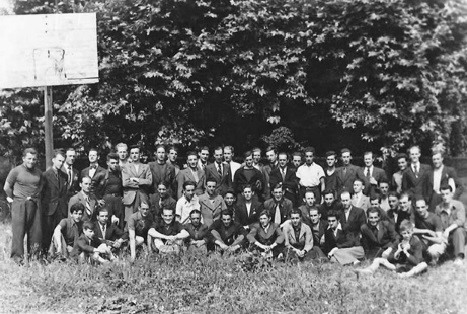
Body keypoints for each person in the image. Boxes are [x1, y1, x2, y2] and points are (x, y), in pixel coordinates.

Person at [357, 220, 427, 278]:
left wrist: (406, 252)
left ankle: (406, 275)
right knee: (378, 259)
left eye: (409, 233)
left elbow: (416, 261)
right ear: (400, 233)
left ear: (412, 232)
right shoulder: (399, 241)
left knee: (423, 264)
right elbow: (389, 259)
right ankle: (369, 270)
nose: (406, 235)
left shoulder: (416, 242)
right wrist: (398, 252)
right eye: (404, 233)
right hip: (398, 265)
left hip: (411, 266)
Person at [41, 149, 68, 254]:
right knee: (47, 234)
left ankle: (59, 254)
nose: (61, 163)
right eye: (59, 160)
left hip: (61, 210)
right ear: (53, 160)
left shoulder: (64, 176)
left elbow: (64, 194)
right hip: (49, 209)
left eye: (62, 161)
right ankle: (44, 255)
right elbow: (42, 194)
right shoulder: (45, 175)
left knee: (60, 232)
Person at [435, 185, 465, 266]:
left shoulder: (458, 205)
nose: (445, 197)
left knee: (458, 230)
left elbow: (461, 221)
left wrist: (448, 230)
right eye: (443, 194)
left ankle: (459, 257)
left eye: (447, 194)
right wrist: (440, 235)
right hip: (446, 236)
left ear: (452, 194)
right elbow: (438, 224)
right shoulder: (438, 208)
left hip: (459, 234)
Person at [122, 146, 153, 223]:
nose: (134, 155)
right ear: (130, 155)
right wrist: (141, 183)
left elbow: (149, 182)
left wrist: (137, 180)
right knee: (129, 221)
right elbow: (125, 183)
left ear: (140, 154)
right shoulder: (126, 167)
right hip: (130, 197)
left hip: (142, 195)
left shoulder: (146, 167)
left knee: (143, 220)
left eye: (136, 153)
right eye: (132, 153)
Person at [93, 153, 124, 228]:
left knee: (120, 222)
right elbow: (91, 187)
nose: (115, 165)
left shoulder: (120, 173)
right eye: (112, 163)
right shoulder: (102, 174)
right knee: (107, 221)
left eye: (117, 163)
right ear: (107, 163)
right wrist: (97, 199)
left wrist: (122, 197)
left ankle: (120, 238)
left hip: (118, 200)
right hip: (107, 200)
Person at [412, 198, 445, 265]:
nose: (420, 210)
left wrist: (427, 238)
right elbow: (411, 230)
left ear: (427, 207)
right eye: (418, 208)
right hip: (424, 242)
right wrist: (427, 231)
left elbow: (439, 240)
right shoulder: (415, 215)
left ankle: (438, 258)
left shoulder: (435, 218)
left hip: (435, 242)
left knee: (432, 251)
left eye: (422, 207)